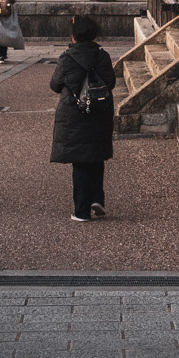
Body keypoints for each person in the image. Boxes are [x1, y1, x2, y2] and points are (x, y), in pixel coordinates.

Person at [50, 14, 116, 220]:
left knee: (80, 162)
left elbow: (55, 85)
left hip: (74, 113)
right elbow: (111, 82)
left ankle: (81, 211)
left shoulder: (67, 58)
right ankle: (97, 198)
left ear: (73, 36)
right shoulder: (102, 56)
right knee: (96, 156)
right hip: (99, 111)